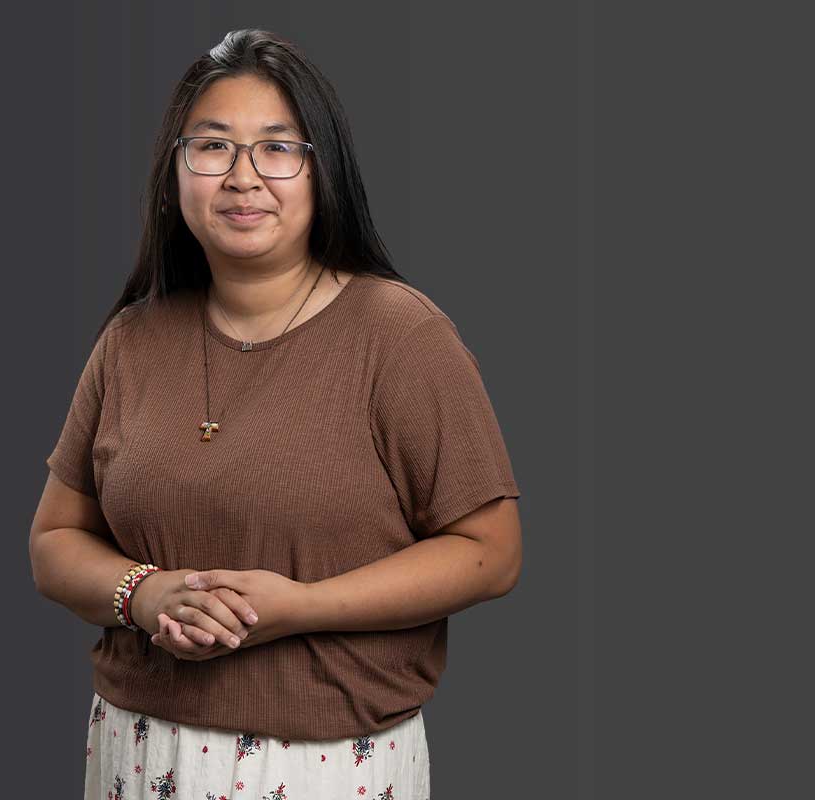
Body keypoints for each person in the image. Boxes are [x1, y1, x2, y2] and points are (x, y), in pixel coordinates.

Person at [30, 28, 522, 800]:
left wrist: (302, 607)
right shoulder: (131, 340)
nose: (243, 177)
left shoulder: (400, 336)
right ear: (174, 174)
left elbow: (492, 550)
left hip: (329, 765)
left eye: (278, 148)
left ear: (324, 172)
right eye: (213, 147)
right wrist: (145, 593)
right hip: (137, 748)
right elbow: (54, 540)